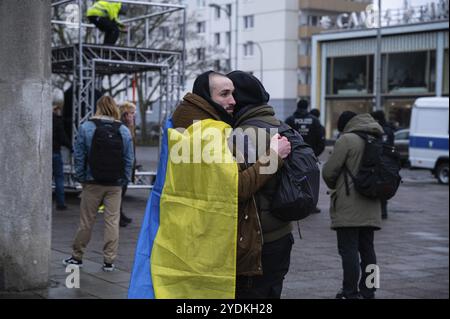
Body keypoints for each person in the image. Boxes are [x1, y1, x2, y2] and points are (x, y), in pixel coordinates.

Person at [128, 71, 291, 298]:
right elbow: (238, 188)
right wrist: (275, 155)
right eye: (224, 94)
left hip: (180, 235)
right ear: (206, 97)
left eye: (233, 94)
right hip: (206, 240)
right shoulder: (209, 133)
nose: (233, 101)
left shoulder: (180, 123)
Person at [228, 70, 294, 299]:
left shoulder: (240, 136)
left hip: (256, 240)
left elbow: (238, 188)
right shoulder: (282, 127)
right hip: (283, 233)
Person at [63, 96, 134, 272]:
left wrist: (81, 177)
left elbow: (79, 155)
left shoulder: (86, 127)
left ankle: (77, 257)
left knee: (86, 221)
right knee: (112, 221)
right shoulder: (123, 130)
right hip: (115, 184)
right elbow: (128, 159)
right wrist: (124, 179)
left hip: (92, 181)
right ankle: (109, 261)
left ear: (98, 108)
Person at [322, 111, 383, 299]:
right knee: (369, 251)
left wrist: (336, 186)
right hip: (372, 204)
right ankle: (370, 289)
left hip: (348, 206)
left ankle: (350, 291)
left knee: (349, 252)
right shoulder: (376, 138)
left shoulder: (347, 140)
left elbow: (329, 172)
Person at [286, 100, 325, 213]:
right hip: (310, 156)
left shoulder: (290, 120)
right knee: (311, 181)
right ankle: (311, 205)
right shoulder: (315, 121)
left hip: (293, 157)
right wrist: (313, 154)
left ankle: (294, 203)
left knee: (293, 181)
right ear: (307, 107)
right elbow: (321, 141)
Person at [371, 110, 395, 220]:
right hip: (388, 161)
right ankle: (383, 210)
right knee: (384, 185)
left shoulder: (376, 129)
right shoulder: (389, 130)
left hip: (377, 160)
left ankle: (378, 210)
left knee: (376, 184)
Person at [118, 101, 137, 227]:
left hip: (128, 164)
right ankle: (117, 215)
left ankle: (120, 213)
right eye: (132, 113)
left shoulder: (129, 128)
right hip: (122, 165)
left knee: (122, 191)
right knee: (119, 191)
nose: (133, 116)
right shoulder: (122, 129)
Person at [53, 105, 72, 210]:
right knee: (59, 178)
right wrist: (71, 147)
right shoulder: (57, 121)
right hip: (55, 152)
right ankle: (60, 203)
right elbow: (63, 137)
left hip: (44, 153)